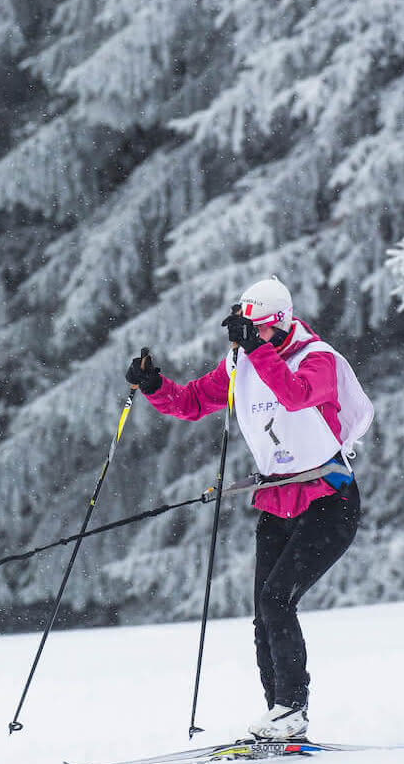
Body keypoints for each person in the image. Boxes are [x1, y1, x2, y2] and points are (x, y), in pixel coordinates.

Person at [125, 276, 372, 740]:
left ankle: (291, 709)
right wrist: (155, 386)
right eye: (244, 330)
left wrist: (253, 351)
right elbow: (194, 401)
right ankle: (279, 717)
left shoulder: (317, 359)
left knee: (279, 599)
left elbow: (296, 395)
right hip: (278, 499)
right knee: (264, 610)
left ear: (279, 325)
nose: (248, 338)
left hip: (329, 501)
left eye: (256, 330)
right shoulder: (243, 360)